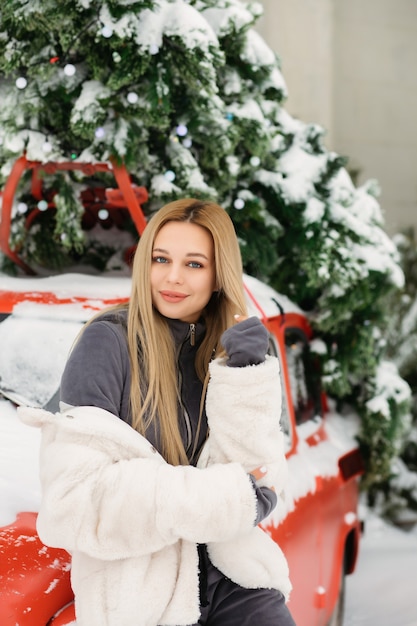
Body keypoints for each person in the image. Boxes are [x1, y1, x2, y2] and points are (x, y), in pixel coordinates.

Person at [19, 199, 296, 626]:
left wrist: (246, 375)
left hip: (233, 578)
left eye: (194, 264)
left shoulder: (224, 349)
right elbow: (74, 501)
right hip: (142, 593)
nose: (172, 277)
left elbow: (261, 472)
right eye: (160, 258)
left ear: (219, 274)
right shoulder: (107, 345)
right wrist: (220, 497)